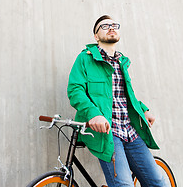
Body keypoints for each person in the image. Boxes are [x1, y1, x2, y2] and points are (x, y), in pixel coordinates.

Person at [67, 15, 167, 187]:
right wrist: (94, 114)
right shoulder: (85, 58)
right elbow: (75, 90)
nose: (111, 27)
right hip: (108, 133)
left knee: (158, 183)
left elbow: (127, 96)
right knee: (124, 185)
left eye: (114, 25)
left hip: (130, 131)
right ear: (96, 36)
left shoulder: (122, 62)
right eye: (105, 26)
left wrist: (143, 109)